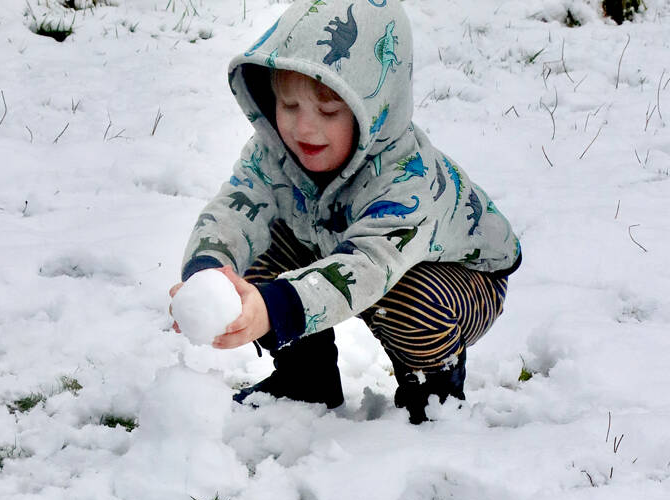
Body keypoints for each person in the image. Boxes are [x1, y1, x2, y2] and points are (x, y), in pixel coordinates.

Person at [169, 0, 521, 424]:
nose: (303, 128)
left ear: (372, 110)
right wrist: (210, 271)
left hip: (457, 275)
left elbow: (368, 267)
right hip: (341, 239)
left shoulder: (406, 179)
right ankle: (306, 378)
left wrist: (275, 308)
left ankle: (433, 392)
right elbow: (236, 208)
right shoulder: (274, 153)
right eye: (289, 106)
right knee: (262, 244)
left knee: (407, 297)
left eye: (329, 111)